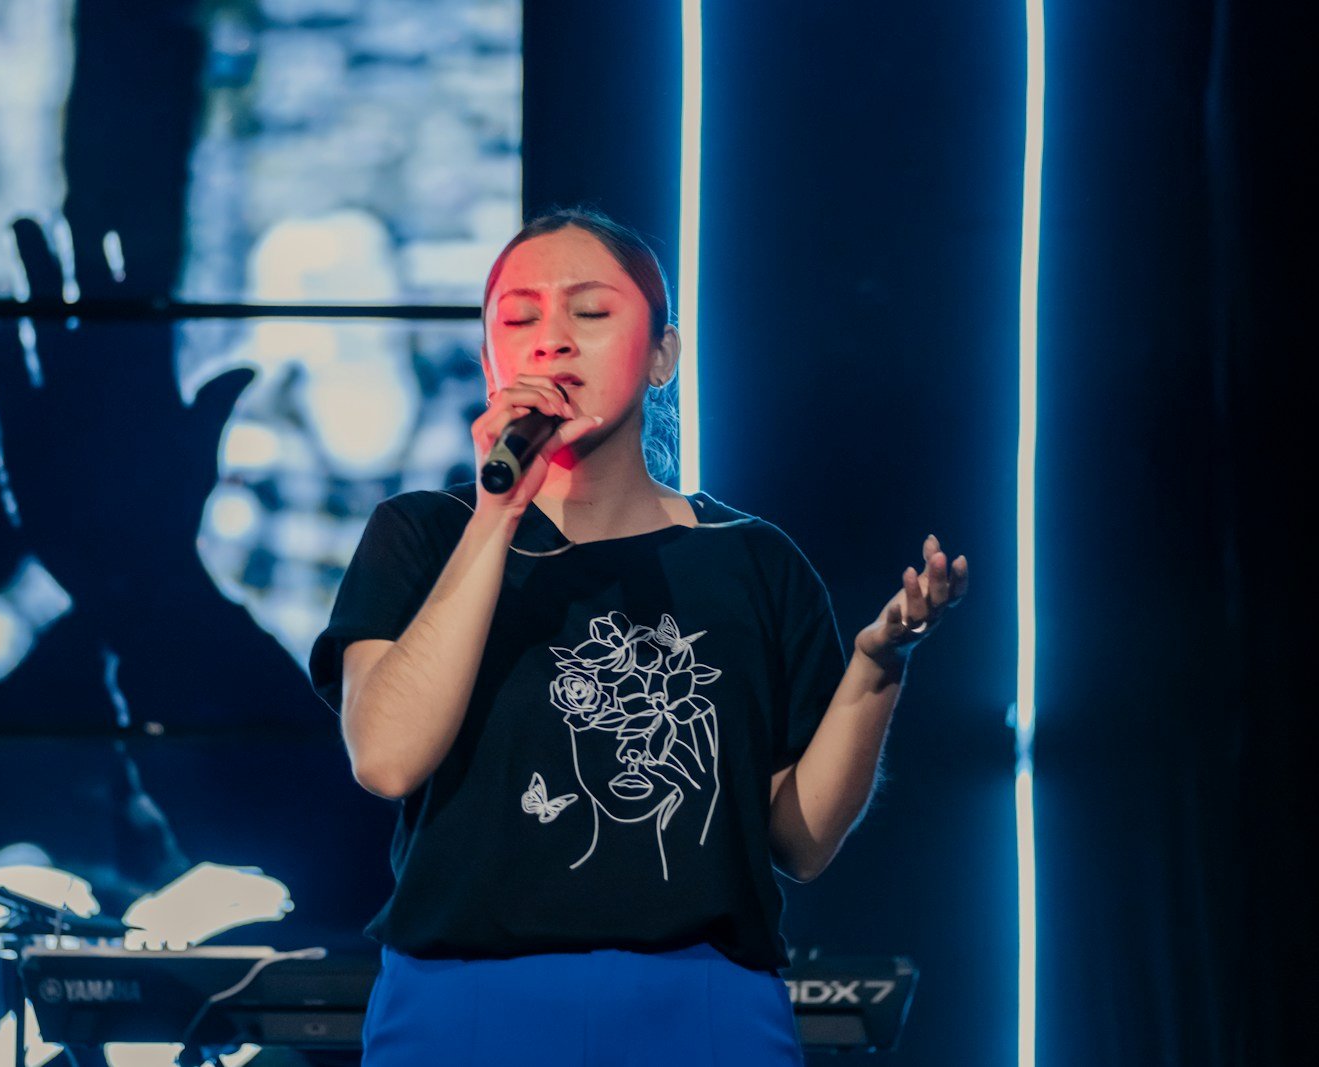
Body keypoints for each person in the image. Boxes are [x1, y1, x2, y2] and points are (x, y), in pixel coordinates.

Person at [308, 207, 968, 1065]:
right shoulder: (423, 534)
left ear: (664, 354)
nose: (552, 340)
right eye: (518, 318)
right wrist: (498, 512)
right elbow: (387, 754)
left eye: (590, 312)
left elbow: (798, 843)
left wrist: (878, 666)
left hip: (701, 1006)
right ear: (488, 362)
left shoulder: (754, 561)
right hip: (463, 1004)